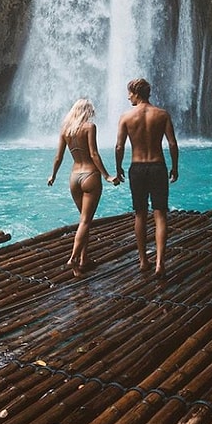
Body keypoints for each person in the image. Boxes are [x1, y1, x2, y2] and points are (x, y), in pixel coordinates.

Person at [115, 78, 179, 278]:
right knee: (160, 214)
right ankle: (160, 263)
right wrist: (175, 167)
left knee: (140, 213)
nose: (128, 97)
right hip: (158, 166)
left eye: (130, 93)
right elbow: (172, 144)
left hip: (137, 167)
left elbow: (119, 146)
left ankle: (143, 261)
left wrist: (118, 168)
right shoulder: (162, 114)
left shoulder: (126, 117)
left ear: (136, 93)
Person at [48, 98, 118, 277]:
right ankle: (73, 258)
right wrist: (106, 175)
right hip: (90, 176)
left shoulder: (66, 130)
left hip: (74, 178)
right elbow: (94, 154)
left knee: (83, 221)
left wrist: (53, 175)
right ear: (87, 111)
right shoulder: (89, 127)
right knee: (85, 221)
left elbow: (58, 157)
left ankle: (84, 259)